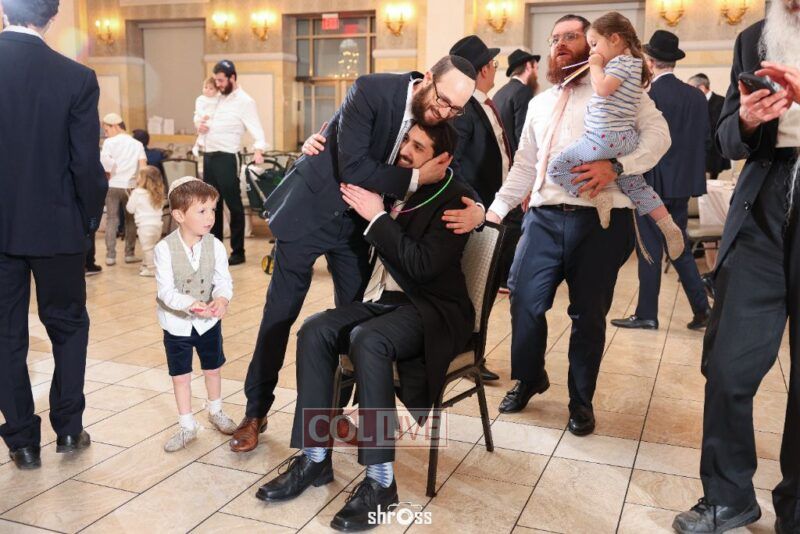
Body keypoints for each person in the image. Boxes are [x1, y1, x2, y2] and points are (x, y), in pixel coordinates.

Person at [231, 55, 481, 454]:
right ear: (427, 78)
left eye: (455, 108)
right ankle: (255, 411)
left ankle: (335, 414)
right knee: (279, 316)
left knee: (349, 321)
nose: (445, 112)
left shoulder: (439, 118)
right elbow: (353, 167)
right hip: (311, 214)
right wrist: (415, 177)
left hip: (358, 231)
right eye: (442, 100)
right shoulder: (372, 89)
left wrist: (479, 210)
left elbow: (451, 174)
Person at [255, 123, 474, 533]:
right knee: (314, 330)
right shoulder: (393, 180)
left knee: (368, 340)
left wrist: (377, 216)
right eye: (406, 140)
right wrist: (313, 148)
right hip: (384, 301)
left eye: (418, 147)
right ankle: (315, 458)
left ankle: (381, 481)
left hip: (431, 309)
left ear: (442, 159)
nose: (405, 150)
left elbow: (422, 266)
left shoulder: (457, 200)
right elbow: (344, 160)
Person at [486, 14, 670, 436]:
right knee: (524, 300)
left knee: (588, 315)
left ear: (593, 44)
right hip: (543, 218)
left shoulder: (621, 91)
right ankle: (529, 377)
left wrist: (617, 166)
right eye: (554, 39)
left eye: (571, 36)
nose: (560, 44)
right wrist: (497, 210)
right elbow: (525, 165)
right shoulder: (539, 103)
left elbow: (660, 136)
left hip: (601, 223)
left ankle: (581, 401)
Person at [673, 2, 800, 532]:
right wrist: (746, 119)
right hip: (763, 206)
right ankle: (728, 497)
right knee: (727, 364)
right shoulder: (753, 38)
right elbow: (724, 138)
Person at [0, 0, 107, 470]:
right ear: (52, 18)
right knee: (68, 326)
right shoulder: (76, 77)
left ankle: (22, 442)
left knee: (4, 334)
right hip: (57, 225)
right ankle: (68, 429)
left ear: (3, 10)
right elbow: (85, 163)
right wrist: (88, 220)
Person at [545, 14, 683, 261]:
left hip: (603, 138)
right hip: (623, 140)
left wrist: (596, 66)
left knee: (557, 168)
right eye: (554, 39)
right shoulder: (633, 65)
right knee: (637, 186)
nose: (592, 51)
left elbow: (602, 89)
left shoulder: (619, 64)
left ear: (615, 39)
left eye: (593, 44)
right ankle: (667, 225)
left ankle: (598, 197)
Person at [611, 30, 711, 332]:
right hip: (682, 186)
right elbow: (705, 142)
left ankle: (647, 314)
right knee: (676, 244)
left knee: (649, 248)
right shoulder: (697, 96)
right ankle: (702, 309)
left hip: (649, 183)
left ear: (650, 62)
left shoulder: (646, 96)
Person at [154, 177, 238, 452]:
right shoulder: (164, 249)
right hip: (176, 324)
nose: (210, 217)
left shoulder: (215, 245)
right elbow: (166, 292)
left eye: (213, 209)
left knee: (213, 368)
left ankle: (215, 410)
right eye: (202, 211)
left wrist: (222, 299)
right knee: (181, 376)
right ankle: (187, 424)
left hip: (208, 323)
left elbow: (223, 280)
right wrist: (191, 304)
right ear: (179, 215)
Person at [447, 34, 509, 381]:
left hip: (495, 210)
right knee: (477, 290)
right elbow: (452, 165)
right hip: (478, 213)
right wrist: (480, 205)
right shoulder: (465, 110)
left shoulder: (482, 105)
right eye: (494, 64)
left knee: (485, 289)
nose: (495, 69)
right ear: (484, 69)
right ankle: (468, 357)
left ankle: (471, 354)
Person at [197, 60, 267, 266]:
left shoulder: (245, 101)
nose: (218, 84)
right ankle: (215, 249)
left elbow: (257, 129)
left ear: (232, 78)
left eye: (221, 80)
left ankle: (238, 251)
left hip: (228, 157)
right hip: (208, 155)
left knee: (233, 204)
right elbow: (202, 116)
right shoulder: (216, 98)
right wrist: (200, 126)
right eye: (216, 80)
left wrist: (259, 149)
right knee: (211, 205)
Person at [488, 48, 540, 297]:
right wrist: (528, 182)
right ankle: (503, 276)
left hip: (503, 169)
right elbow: (523, 137)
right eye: (535, 66)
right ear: (529, 66)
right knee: (514, 223)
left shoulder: (501, 92)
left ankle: (498, 274)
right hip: (517, 170)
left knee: (508, 222)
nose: (537, 71)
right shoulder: (523, 92)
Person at [100, 112, 146, 266]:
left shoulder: (108, 143)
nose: (106, 134)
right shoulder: (137, 144)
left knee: (111, 220)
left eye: (107, 130)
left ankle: (110, 256)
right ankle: (129, 254)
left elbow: (104, 165)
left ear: (115, 126)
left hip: (112, 185)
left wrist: (109, 173)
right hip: (130, 187)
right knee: (130, 220)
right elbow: (143, 168)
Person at [493, 48, 540, 153]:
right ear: (528, 66)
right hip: (516, 158)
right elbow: (522, 134)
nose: (537, 75)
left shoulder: (499, 93)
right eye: (536, 68)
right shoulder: (523, 91)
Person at [688, 73, 732, 180]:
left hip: (714, 152)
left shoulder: (722, 102)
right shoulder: (691, 103)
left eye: (690, 88)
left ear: (702, 88)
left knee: (712, 182)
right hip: (696, 151)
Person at [126, 166, 165, 277]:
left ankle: (152, 269)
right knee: (151, 247)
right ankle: (145, 264)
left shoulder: (137, 193)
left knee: (147, 248)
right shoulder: (158, 193)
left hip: (145, 227)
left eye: (139, 175)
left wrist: (130, 196)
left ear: (144, 179)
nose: (137, 177)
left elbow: (130, 209)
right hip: (157, 226)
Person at [192, 77, 219, 158]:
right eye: (205, 87)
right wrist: (204, 115)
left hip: (210, 118)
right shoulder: (201, 99)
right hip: (200, 117)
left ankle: (197, 145)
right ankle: (198, 144)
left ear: (217, 90)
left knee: (209, 127)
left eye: (211, 88)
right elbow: (199, 109)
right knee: (205, 127)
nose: (207, 90)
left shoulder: (217, 99)